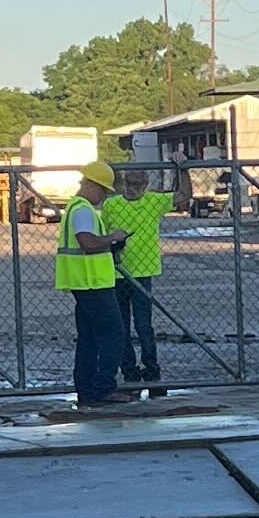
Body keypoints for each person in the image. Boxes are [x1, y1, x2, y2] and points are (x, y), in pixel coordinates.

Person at [57, 158, 125, 407]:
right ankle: (104, 388)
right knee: (113, 333)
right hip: (93, 283)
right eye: (104, 191)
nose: (104, 196)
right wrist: (113, 238)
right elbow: (87, 243)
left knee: (88, 338)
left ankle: (86, 391)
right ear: (92, 185)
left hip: (82, 283)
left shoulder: (74, 208)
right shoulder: (84, 210)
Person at [102, 165, 171, 397]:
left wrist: (182, 168)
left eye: (136, 185)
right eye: (128, 184)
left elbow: (183, 195)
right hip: (118, 273)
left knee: (143, 326)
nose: (131, 189)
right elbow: (103, 232)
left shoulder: (153, 202)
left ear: (145, 184)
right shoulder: (112, 205)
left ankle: (152, 371)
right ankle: (130, 372)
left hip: (143, 273)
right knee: (121, 326)